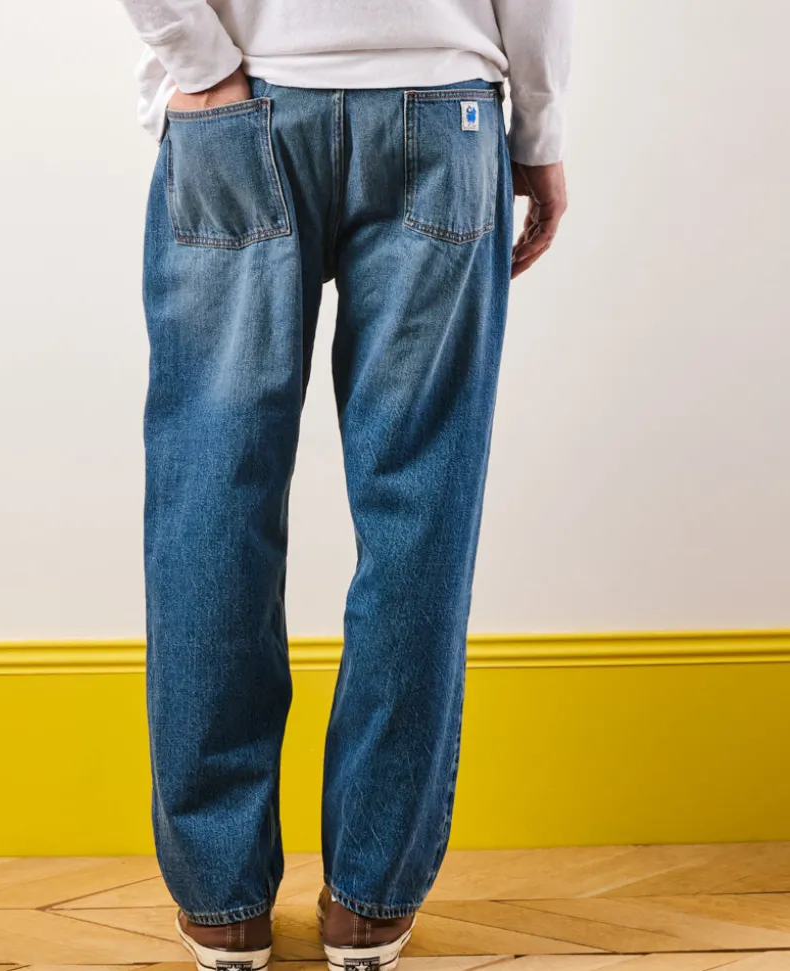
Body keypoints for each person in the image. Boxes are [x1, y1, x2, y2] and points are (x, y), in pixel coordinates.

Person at [115, 2, 575, 969]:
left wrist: (201, 63)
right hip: (442, 109)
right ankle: (370, 899)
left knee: (212, 499)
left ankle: (221, 901)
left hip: (241, 106)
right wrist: (537, 130)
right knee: (420, 508)